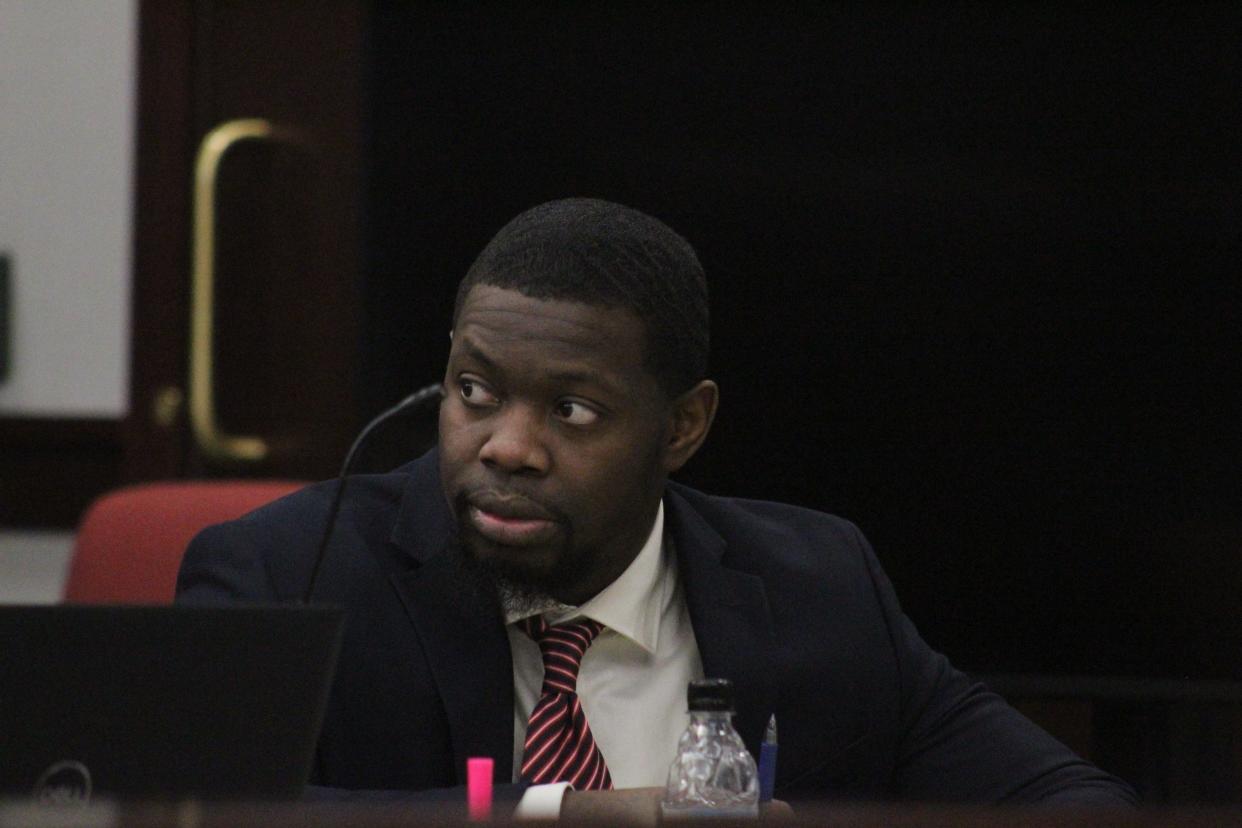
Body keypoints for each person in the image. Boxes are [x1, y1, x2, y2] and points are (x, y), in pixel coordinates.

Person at [176, 198, 1136, 817]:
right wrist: (559, 815)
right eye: (475, 391)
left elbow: (1070, 801)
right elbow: (195, 812)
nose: (507, 445)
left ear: (682, 426)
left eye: (572, 409)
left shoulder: (817, 584)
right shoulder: (289, 571)